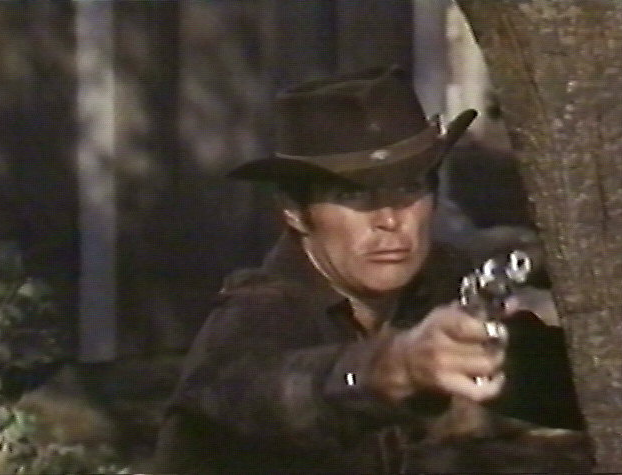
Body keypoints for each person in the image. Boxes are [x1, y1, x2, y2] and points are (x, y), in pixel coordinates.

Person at [153, 65, 593, 474]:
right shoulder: (262, 310)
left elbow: (563, 382)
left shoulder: (435, 286)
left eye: (409, 187)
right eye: (352, 194)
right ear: (295, 212)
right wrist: (391, 368)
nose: (389, 219)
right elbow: (248, 392)